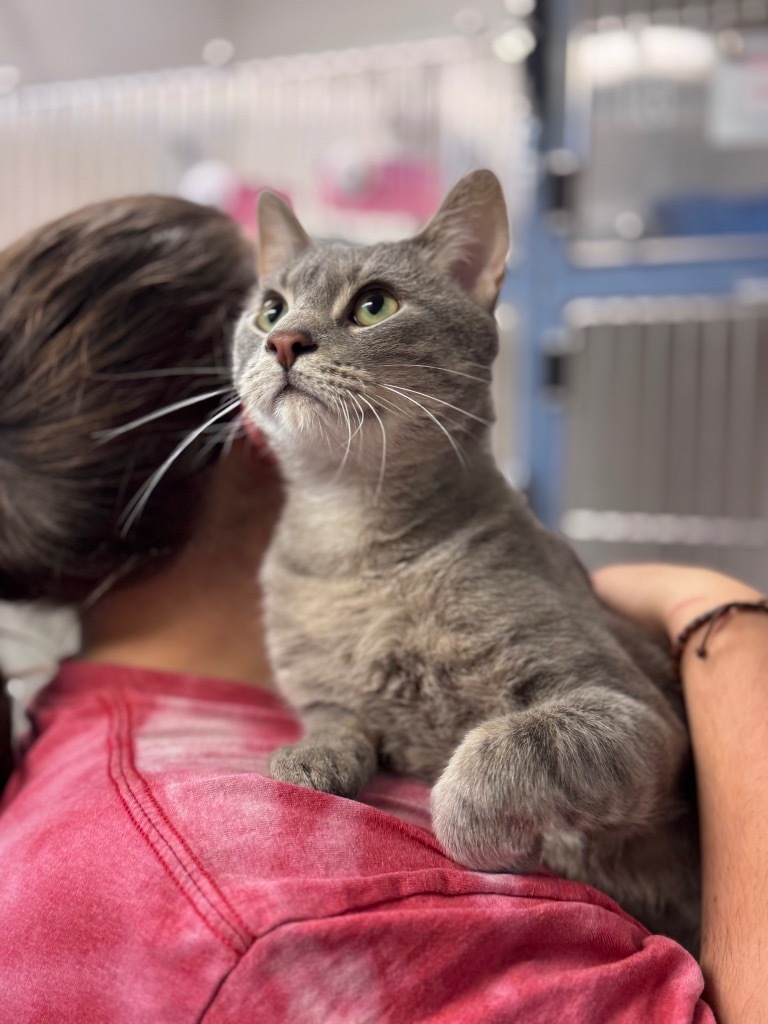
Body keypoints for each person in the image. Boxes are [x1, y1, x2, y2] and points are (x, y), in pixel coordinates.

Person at [0, 195, 762, 1024]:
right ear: (245, 426)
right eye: (269, 309)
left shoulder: (84, 730)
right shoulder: (260, 915)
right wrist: (718, 612)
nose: (288, 336)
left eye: (366, 306)